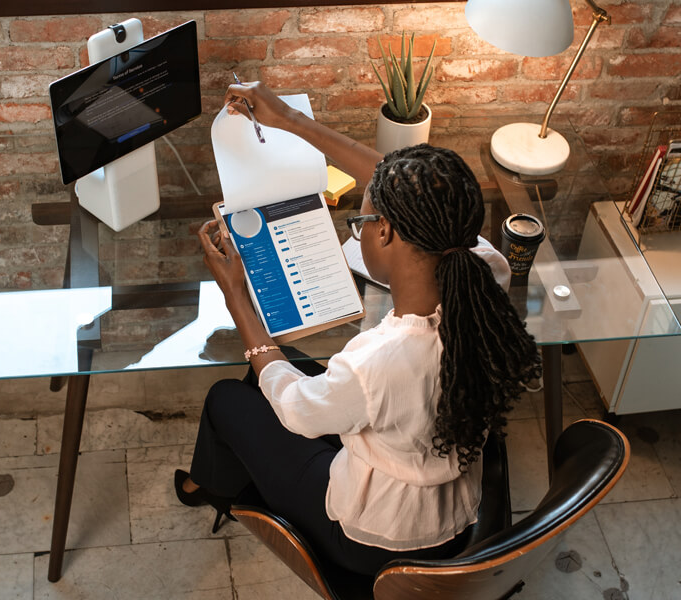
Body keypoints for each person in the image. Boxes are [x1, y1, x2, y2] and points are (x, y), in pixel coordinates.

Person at [174, 81, 542, 576]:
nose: (361, 225)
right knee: (272, 374)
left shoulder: (378, 361)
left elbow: (296, 410)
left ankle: (208, 485)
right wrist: (289, 119)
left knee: (226, 398)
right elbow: (403, 184)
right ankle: (217, 474)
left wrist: (236, 295)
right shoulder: (486, 269)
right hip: (452, 498)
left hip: (377, 536)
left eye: (362, 220)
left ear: (385, 230)